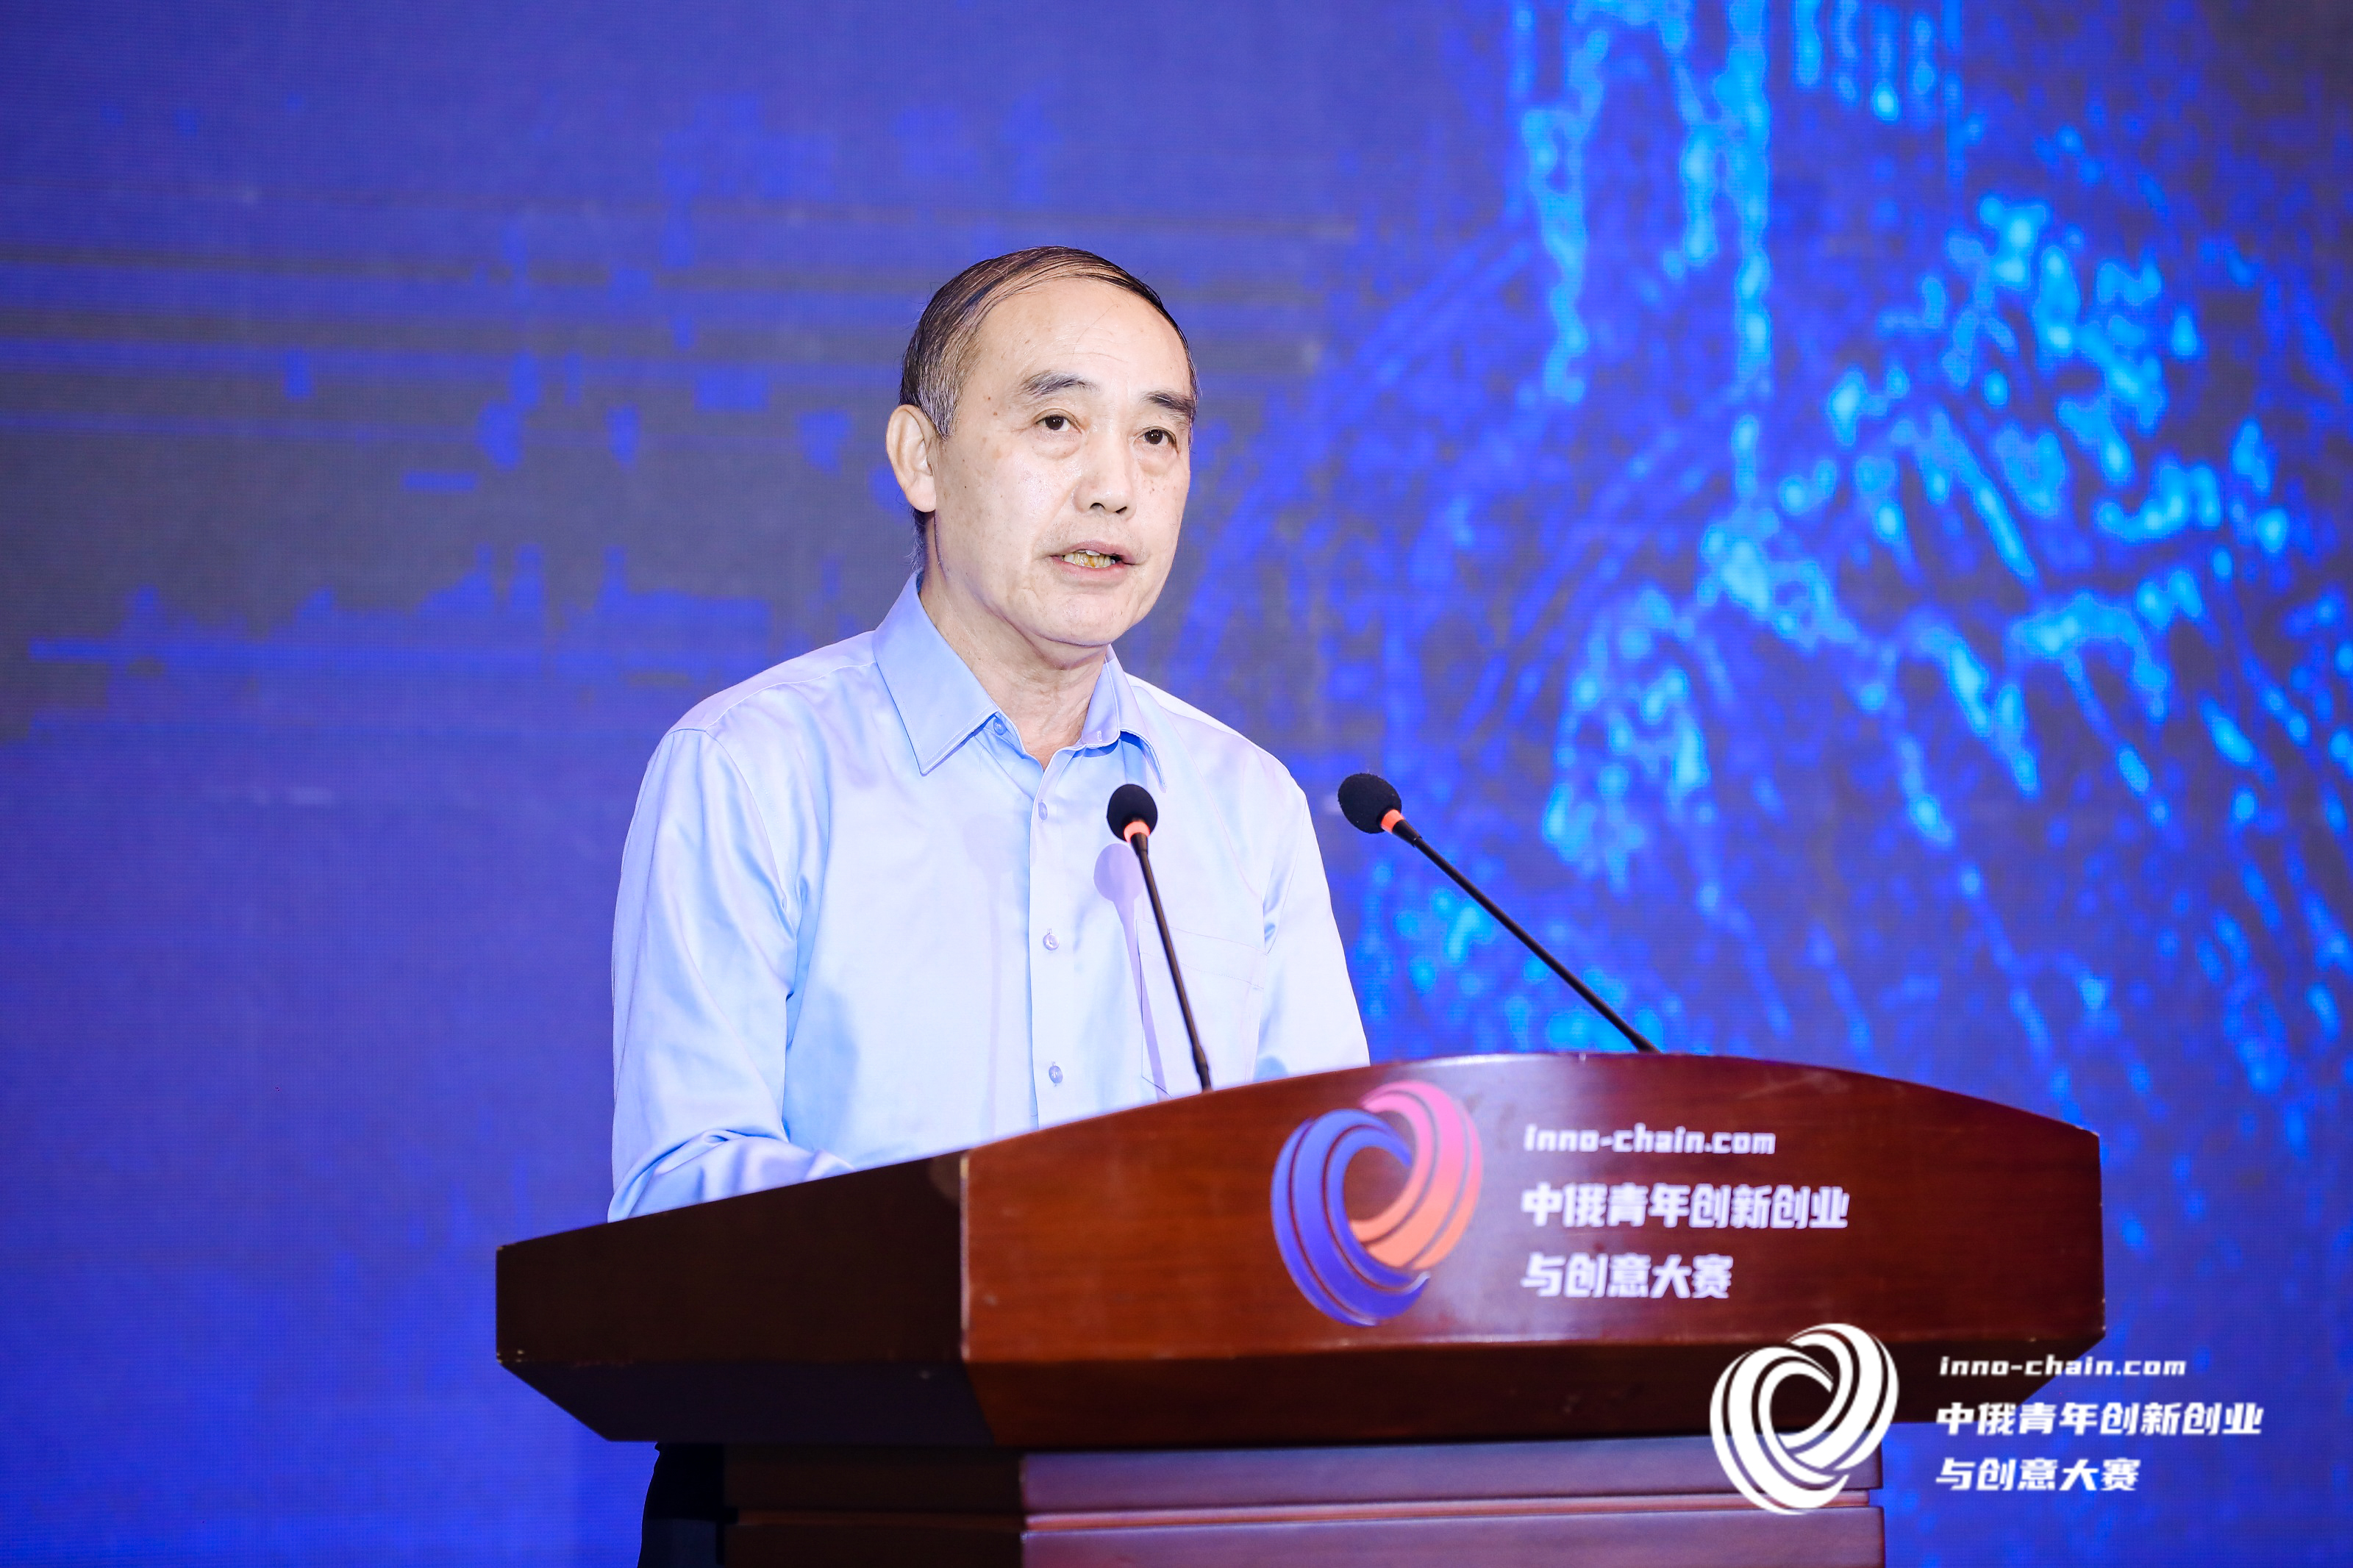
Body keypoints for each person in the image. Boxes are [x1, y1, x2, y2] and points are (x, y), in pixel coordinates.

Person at [610, 245, 1369, 1218]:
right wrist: (995, 1228)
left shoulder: (1245, 804)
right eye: (1057, 423)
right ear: (920, 460)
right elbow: (680, 1188)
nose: (1115, 487)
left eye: (1157, 437)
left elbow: (1322, 1199)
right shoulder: (753, 771)